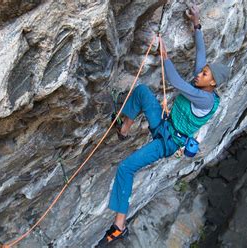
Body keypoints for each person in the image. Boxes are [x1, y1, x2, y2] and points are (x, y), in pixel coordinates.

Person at [96, 5, 230, 247]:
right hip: (163, 124)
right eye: (203, 71)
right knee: (142, 92)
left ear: (213, 83)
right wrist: (196, 23)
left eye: (205, 74)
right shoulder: (204, 84)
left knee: (126, 168)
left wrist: (163, 52)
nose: (200, 73)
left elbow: (176, 81)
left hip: (167, 142)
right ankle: (124, 128)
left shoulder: (205, 98)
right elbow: (201, 52)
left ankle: (119, 226)